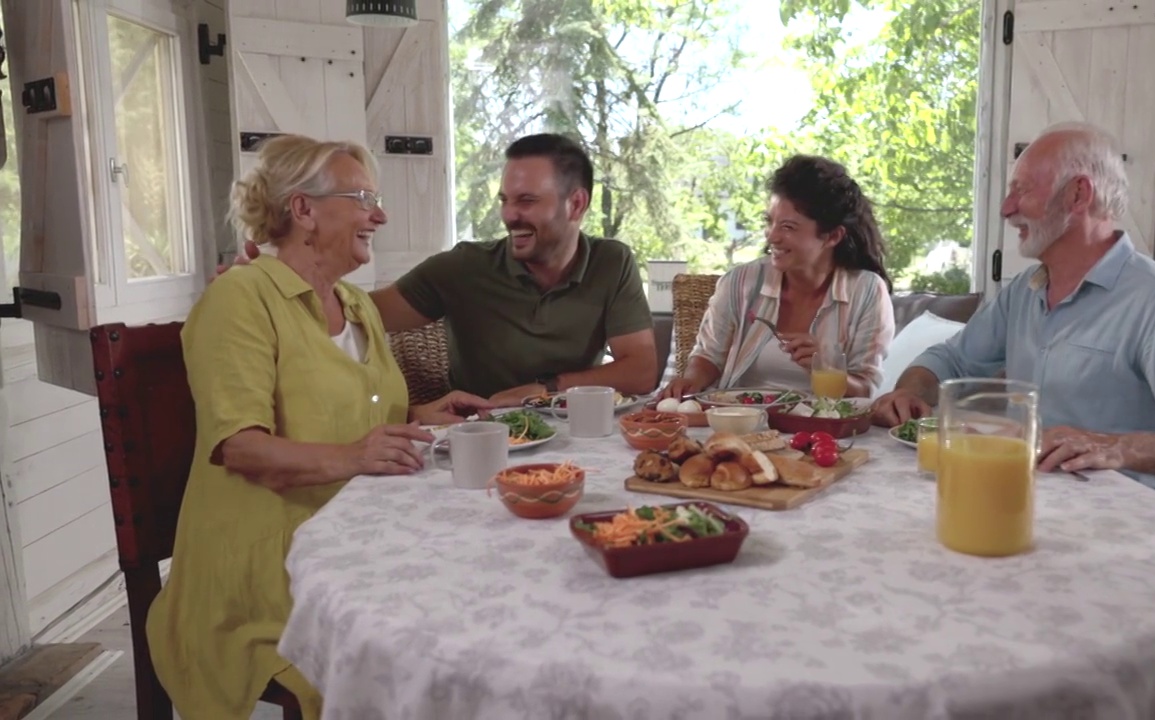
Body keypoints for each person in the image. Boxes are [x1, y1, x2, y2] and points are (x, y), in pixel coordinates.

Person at [147, 135, 492, 719]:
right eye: (362, 198)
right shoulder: (241, 298)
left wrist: (418, 419)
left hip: (362, 540)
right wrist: (358, 456)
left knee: (476, 603)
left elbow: (348, 421)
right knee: (421, 646)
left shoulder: (357, 306)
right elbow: (241, 448)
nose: (378, 215)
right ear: (302, 209)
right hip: (272, 571)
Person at [871, 122, 1155, 507]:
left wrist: (1115, 447)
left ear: (1078, 195)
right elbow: (951, 359)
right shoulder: (1024, 292)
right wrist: (911, 390)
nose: (1006, 209)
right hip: (1026, 506)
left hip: (1123, 526)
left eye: (1021, 190)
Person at [227, 133, 659, 406]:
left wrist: (543, 388)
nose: (510, 216)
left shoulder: (611, 261)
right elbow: (359, 316)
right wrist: (271, 280)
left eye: (527, 202)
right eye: (505, 201)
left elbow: (639, 371)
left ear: (576, 204)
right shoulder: (464, 268)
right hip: (490, 437)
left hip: (583, 431)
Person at [660, 155, 896, 399]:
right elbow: (708, 356)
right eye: (769, 222)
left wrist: (827, 368)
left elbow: (865, 389)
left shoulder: (867, 292)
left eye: (788, 227)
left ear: (832, 236)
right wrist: (690, 381)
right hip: (741, 420)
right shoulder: (739, 282)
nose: (771, 237)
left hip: (821, 427)